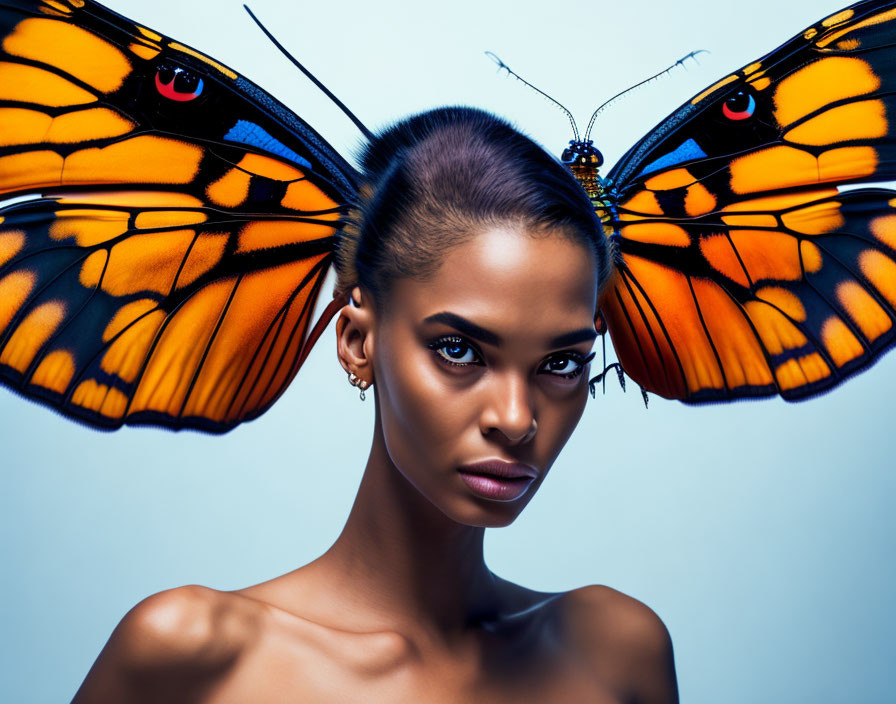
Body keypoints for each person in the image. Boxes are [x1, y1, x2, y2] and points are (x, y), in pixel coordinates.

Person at [70, 107, 678, 703]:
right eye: (458, 350)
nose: (516, 419)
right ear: (358, 340)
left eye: (561, 363)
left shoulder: (616, 652)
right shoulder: (191, 660)